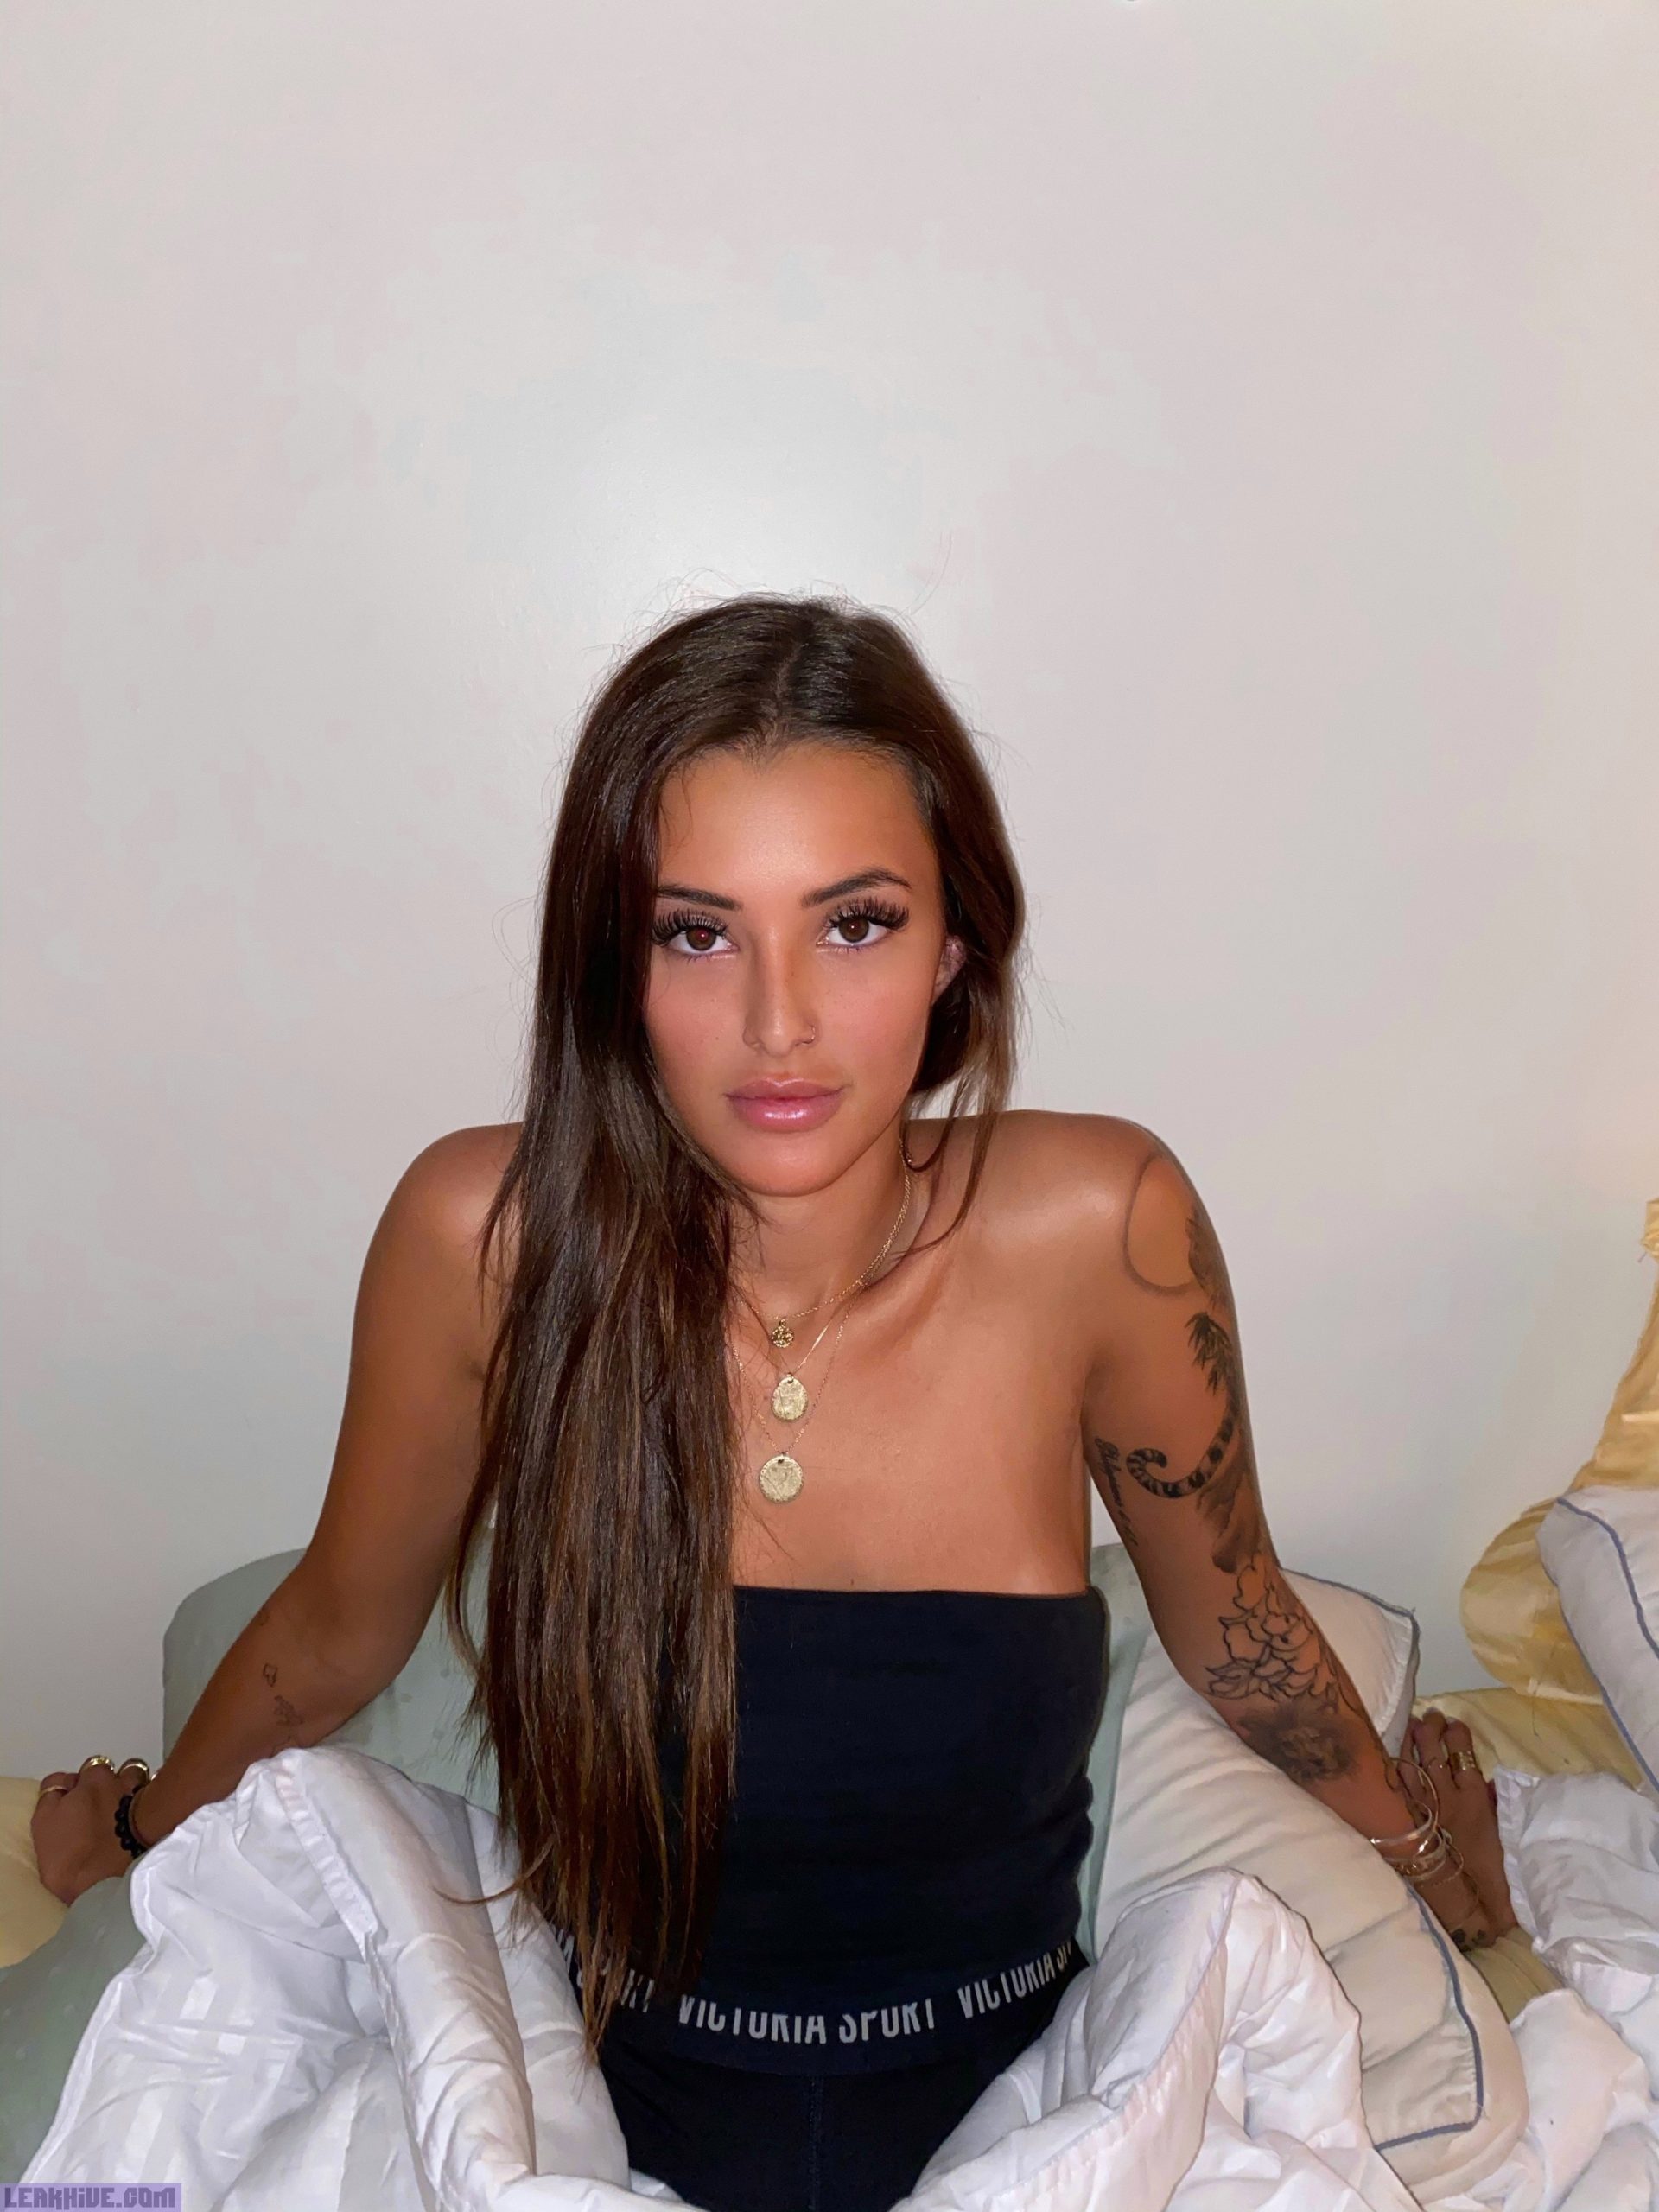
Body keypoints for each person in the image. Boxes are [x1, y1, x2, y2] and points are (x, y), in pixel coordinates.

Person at [31, 593, 1522, 2212]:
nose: (779, 1022)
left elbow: (1236, 1629)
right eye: (698, 933)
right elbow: (330, 1637)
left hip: (1027, 2123)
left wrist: (1438, 1874)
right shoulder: (486, 1244)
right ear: (615, 966)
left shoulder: (1103, 1229)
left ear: (957, 944)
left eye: (855, 924)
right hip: (584, 2122)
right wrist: (138, 1845)